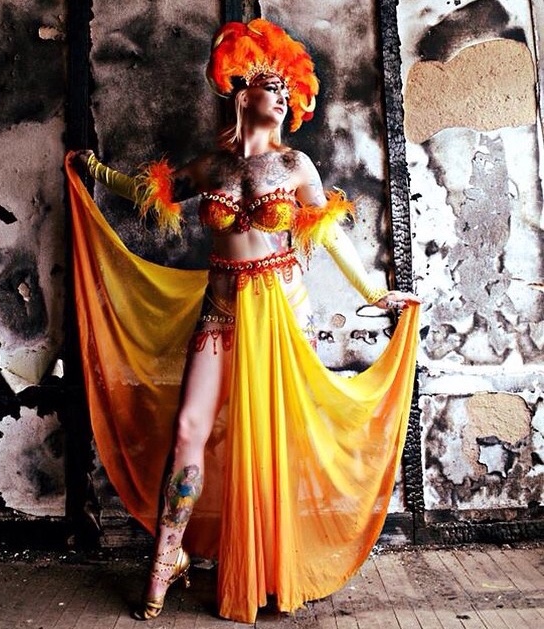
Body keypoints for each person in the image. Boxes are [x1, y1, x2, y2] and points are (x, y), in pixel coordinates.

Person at [65, 18, 420, 624]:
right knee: (188, 429)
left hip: (281, 313)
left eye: (287, 92)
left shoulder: (296, 166)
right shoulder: (212, 166)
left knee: (277, 439)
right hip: (221, 308)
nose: (281, 98)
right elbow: (149, 193)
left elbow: (329, 235)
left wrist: (374, 291)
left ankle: (274, 563)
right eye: (270, 87)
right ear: (241, 91)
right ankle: (167, 557)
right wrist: (92, 169)